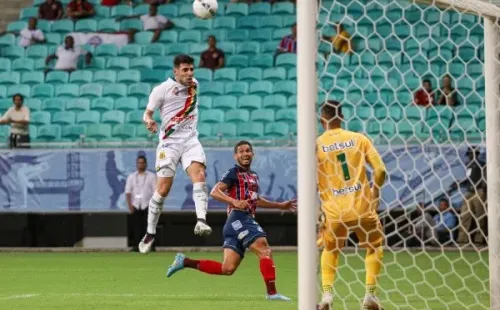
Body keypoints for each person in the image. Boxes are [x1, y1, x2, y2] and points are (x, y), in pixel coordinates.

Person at [165, 140, 295, 301]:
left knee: (227, 268)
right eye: (241, 151)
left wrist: (280, 206)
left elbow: (256, 200)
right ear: (235, 156)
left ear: (252, 154)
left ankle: (185, 262)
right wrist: (233, 202)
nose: (245, 153)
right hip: (239, 217)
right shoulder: (233, 173)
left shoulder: (253, 176)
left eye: (248, 151)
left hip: (234, 224)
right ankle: (272, 293)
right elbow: (214, 191)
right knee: (264, 250)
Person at [316, 100, 387, 310]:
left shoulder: (317, 144)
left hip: (334, 211)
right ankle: (370, 295)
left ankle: (327, 296)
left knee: (331, 249)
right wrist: (375, 190)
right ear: (342, 117)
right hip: (363, 207)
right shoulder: (358, 138)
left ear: (322, 120)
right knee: (374, 246)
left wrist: (319, 212)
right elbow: (380, 170)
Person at [139, 54, 212, 254]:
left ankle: (201, 221)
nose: (190, 74)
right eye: (185, 70)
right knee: (163, 189)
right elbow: (147, 113)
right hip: (169, 143)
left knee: (200, 176)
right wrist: (149, 121)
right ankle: (150, 232)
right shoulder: (161, 90)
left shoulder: (194, 85)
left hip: (190, 141)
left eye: (191, 70)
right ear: (175, 71)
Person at [451, 147, 487, 245]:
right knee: (464, 215)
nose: (470, 156)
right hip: (469, 191)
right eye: (469, 154)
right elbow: (467, 178)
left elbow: (485, 178)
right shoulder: (468, 165)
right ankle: (462, 239)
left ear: (476, 154)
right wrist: (458, 182)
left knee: (480, 216)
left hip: (478, 191)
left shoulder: (482, 165)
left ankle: (479, 239)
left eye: (471, 154)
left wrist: (483, 187)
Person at [125, 155, 157, 252]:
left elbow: (155, 192)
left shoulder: (151, 176)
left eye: (142, 163)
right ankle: (136, 246)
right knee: (136, 227)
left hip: (147, 204)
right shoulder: (131, 177)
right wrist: (130, 205)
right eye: (139, 163)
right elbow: (128, 192)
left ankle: (149, 246)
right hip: (135, 204)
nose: (141, 164)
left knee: (148, 227)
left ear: (145, 164)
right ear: (136, 164)